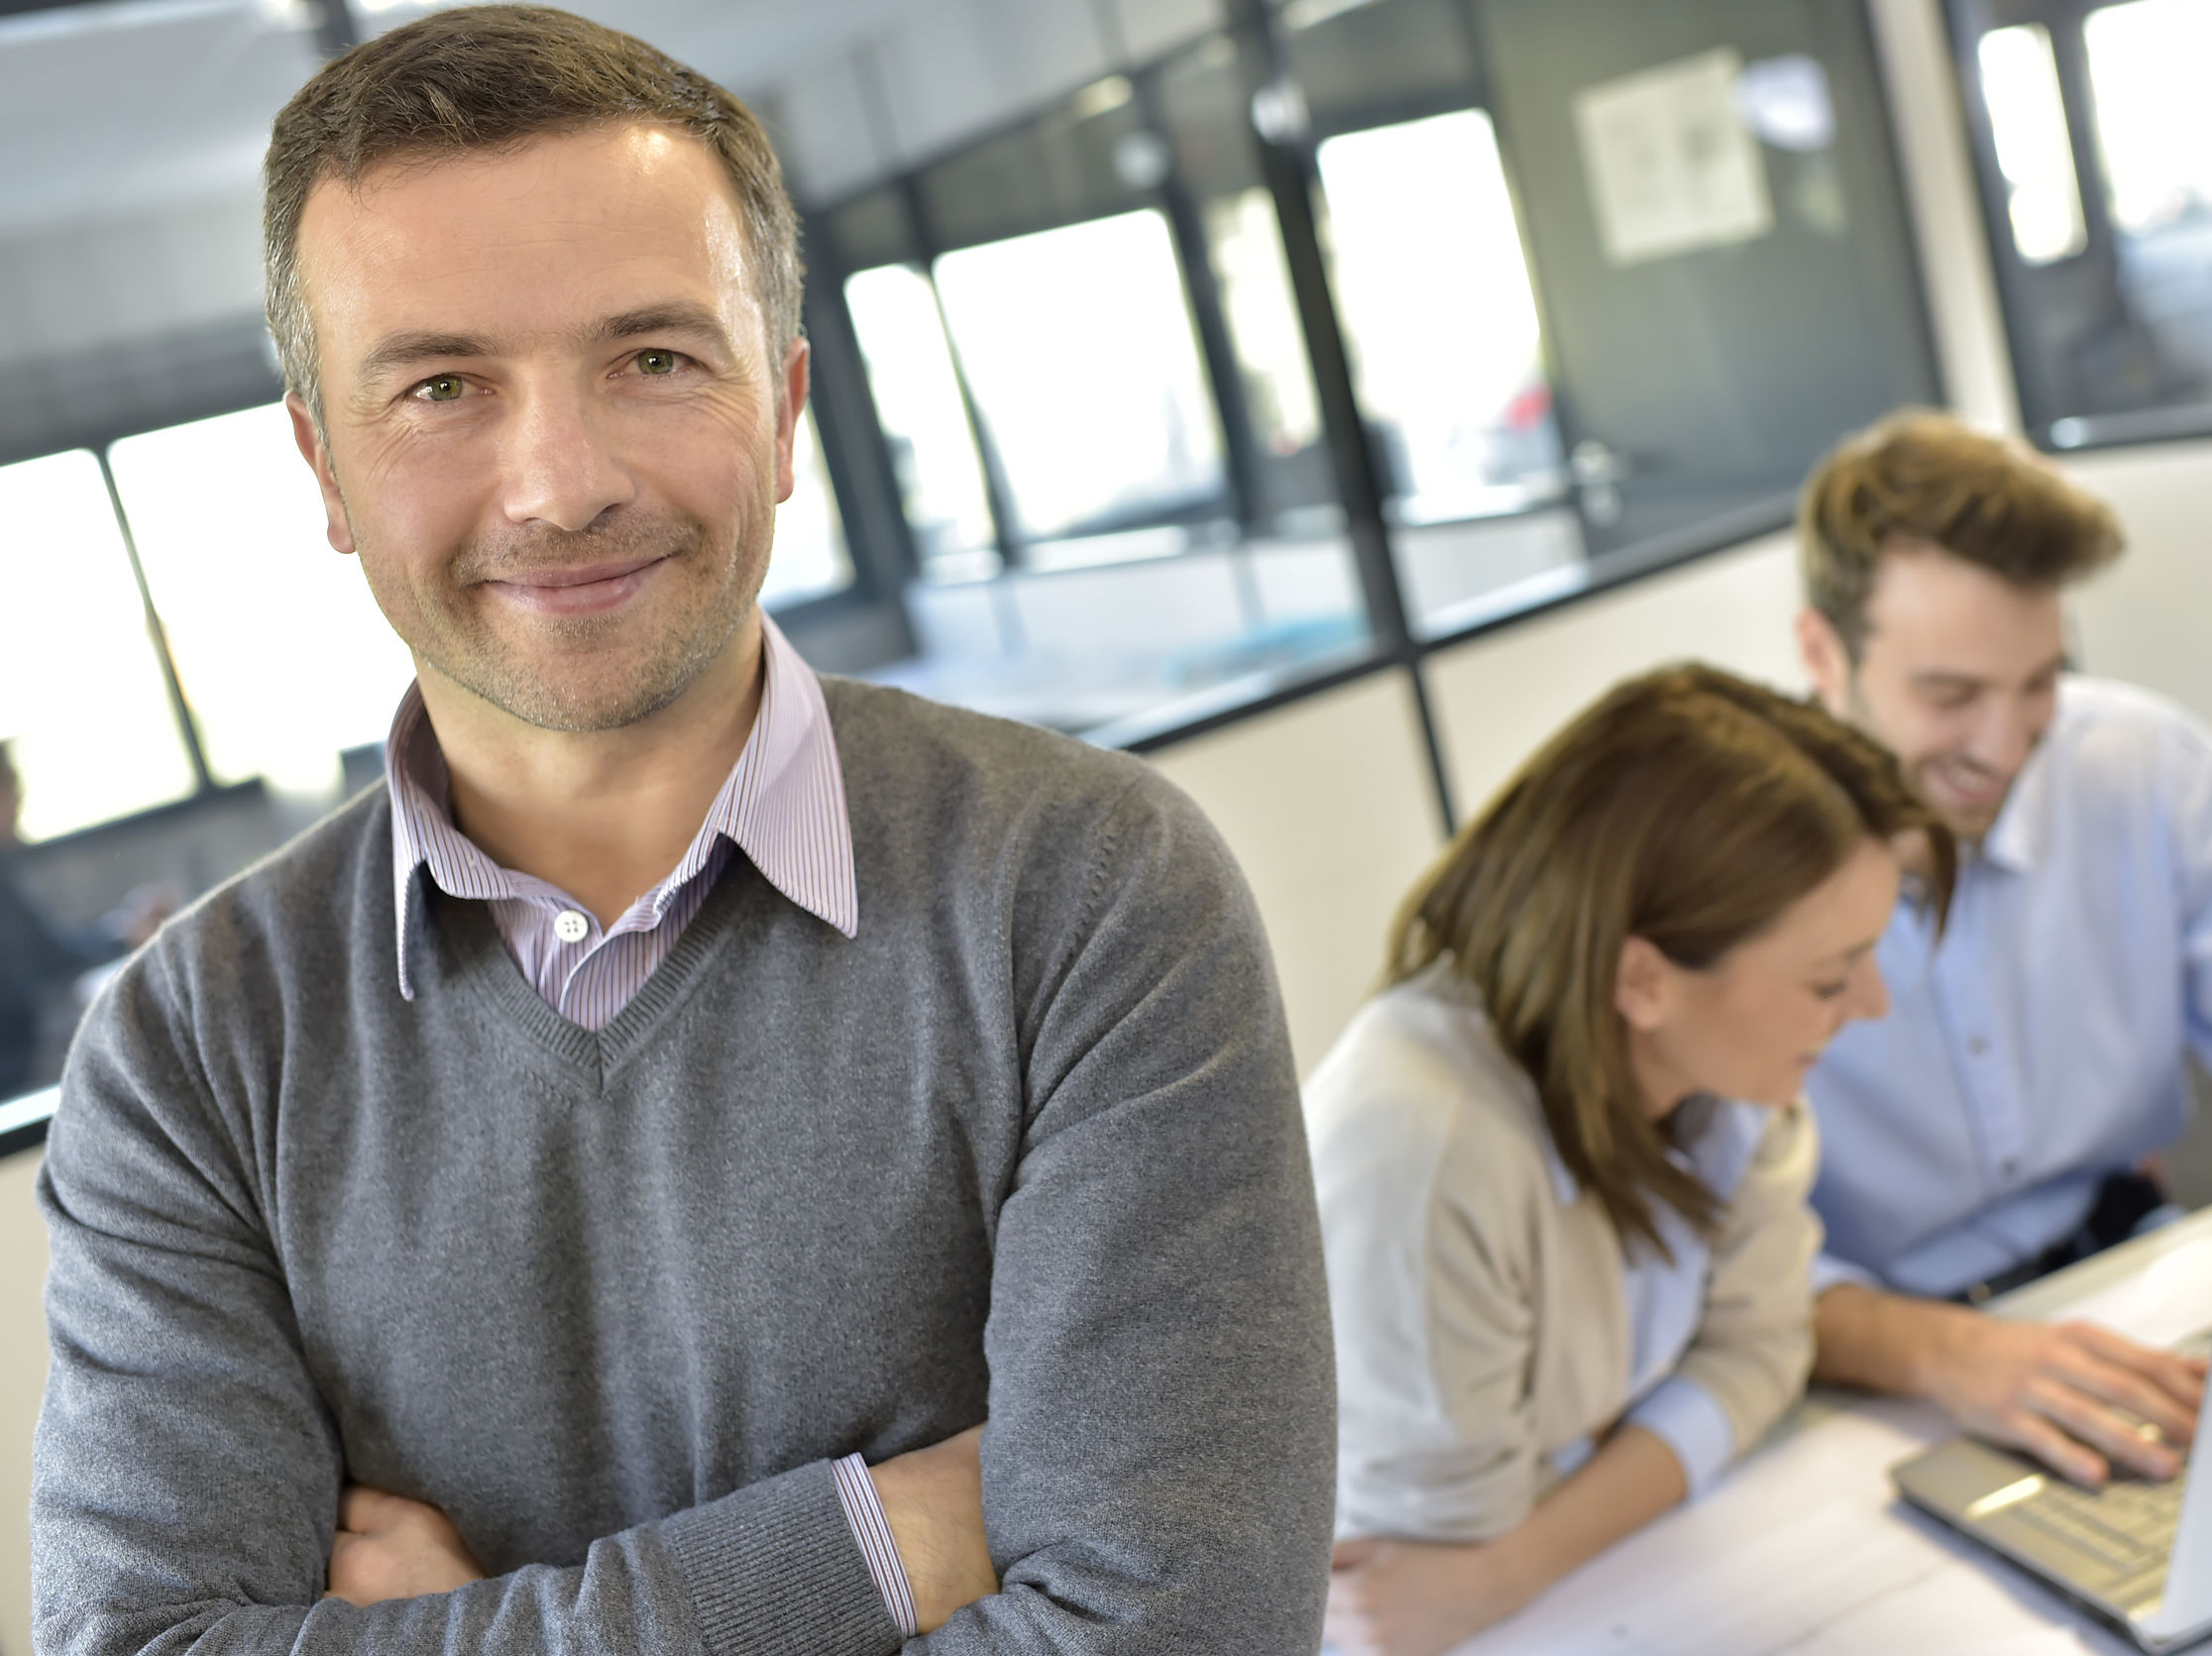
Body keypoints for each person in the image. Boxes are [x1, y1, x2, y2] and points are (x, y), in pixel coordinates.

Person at [29, 10, 1333, 1654]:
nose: (560, 483)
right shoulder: (192, 1056)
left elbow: (1184, 1632)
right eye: (441, 385)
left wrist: (466, 1631)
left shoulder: (1085, 896)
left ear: (784, 406)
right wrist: (873, 1547)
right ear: (327, 464)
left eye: (651, 357)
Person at [1795, 408, 2212, 1490]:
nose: (2004, 748)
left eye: (2037, 683)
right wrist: (1945, 1354)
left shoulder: (2144, 769)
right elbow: (1705, 1269)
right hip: (1871, 1376)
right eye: (1948, 695)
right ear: (1821, 655)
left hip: (2131, 1281)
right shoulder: (1726, 878)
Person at [1310, 664, 1957, 1656]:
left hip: (1574, 1595)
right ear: (1642, 978)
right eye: (1828, 975)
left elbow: (1760, 1348)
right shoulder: (1420, 1148)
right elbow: (1431, 1567)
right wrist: (1522, 1541)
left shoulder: (1721, 1075)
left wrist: (1521, 1558)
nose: (1869, 1003)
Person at [0, 741, 167, 1100]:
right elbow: (51, 963)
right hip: (19, 1066)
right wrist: (125, 934)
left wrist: (123, 930)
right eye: (13, 788)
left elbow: (51, 949)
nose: (20, 800)